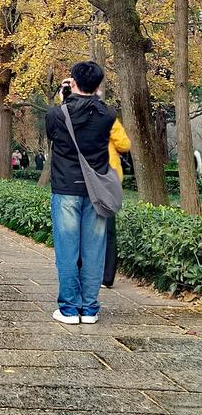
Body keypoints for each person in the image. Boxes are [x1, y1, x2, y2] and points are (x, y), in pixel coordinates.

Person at [45, 60, 119, 325]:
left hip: (66, 187)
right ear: (98, 86)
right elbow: (92, 112)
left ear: (73, 82)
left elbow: (54, 136)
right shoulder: (108, 114)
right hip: (97, 190)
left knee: (67, 250)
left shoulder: (56, 114)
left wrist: (65, 98)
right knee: (94, 250)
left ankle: (68, 308)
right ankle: (89, 309)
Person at [102, 117, 132, 288]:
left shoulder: (77, 115)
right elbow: (124, 144)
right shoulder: (109, 118)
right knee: (108, 230)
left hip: (86, 178)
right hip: (109, 177)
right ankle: (107, 276)